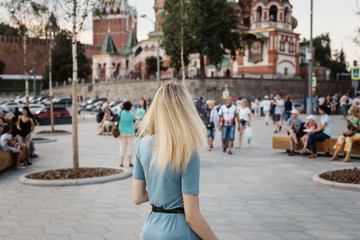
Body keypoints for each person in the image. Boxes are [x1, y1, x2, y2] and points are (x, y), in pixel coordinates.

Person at [133, 82, 219, 240]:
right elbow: (192, 216)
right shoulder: (187, 150)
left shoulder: (143, 145)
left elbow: (138, 197)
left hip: (150, 230)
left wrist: (161, 189)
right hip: (178, 231)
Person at [118, 101, 136, 167]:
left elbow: (118, 106)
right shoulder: (132, 114)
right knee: (130, 147)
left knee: (122, 147)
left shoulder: (121, 112)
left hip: (122, 131)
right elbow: (134, 121)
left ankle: (121, 162)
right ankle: (130, 162)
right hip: (130, 132)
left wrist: (121, 104)